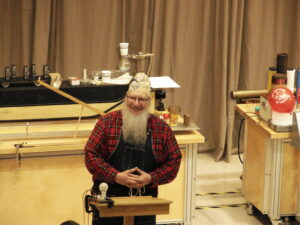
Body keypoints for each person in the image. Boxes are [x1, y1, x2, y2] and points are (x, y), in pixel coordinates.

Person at [84, 72, 182, 225]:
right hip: (109, 200)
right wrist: (116, 176)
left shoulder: (161, 128)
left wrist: (151, 178)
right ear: (125, 98)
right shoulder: (107, 123)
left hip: (145, 202)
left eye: (142, 99)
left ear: (149, 101)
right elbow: (91, 156)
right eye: (132, 98)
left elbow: (174, 161)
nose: (136, 103)